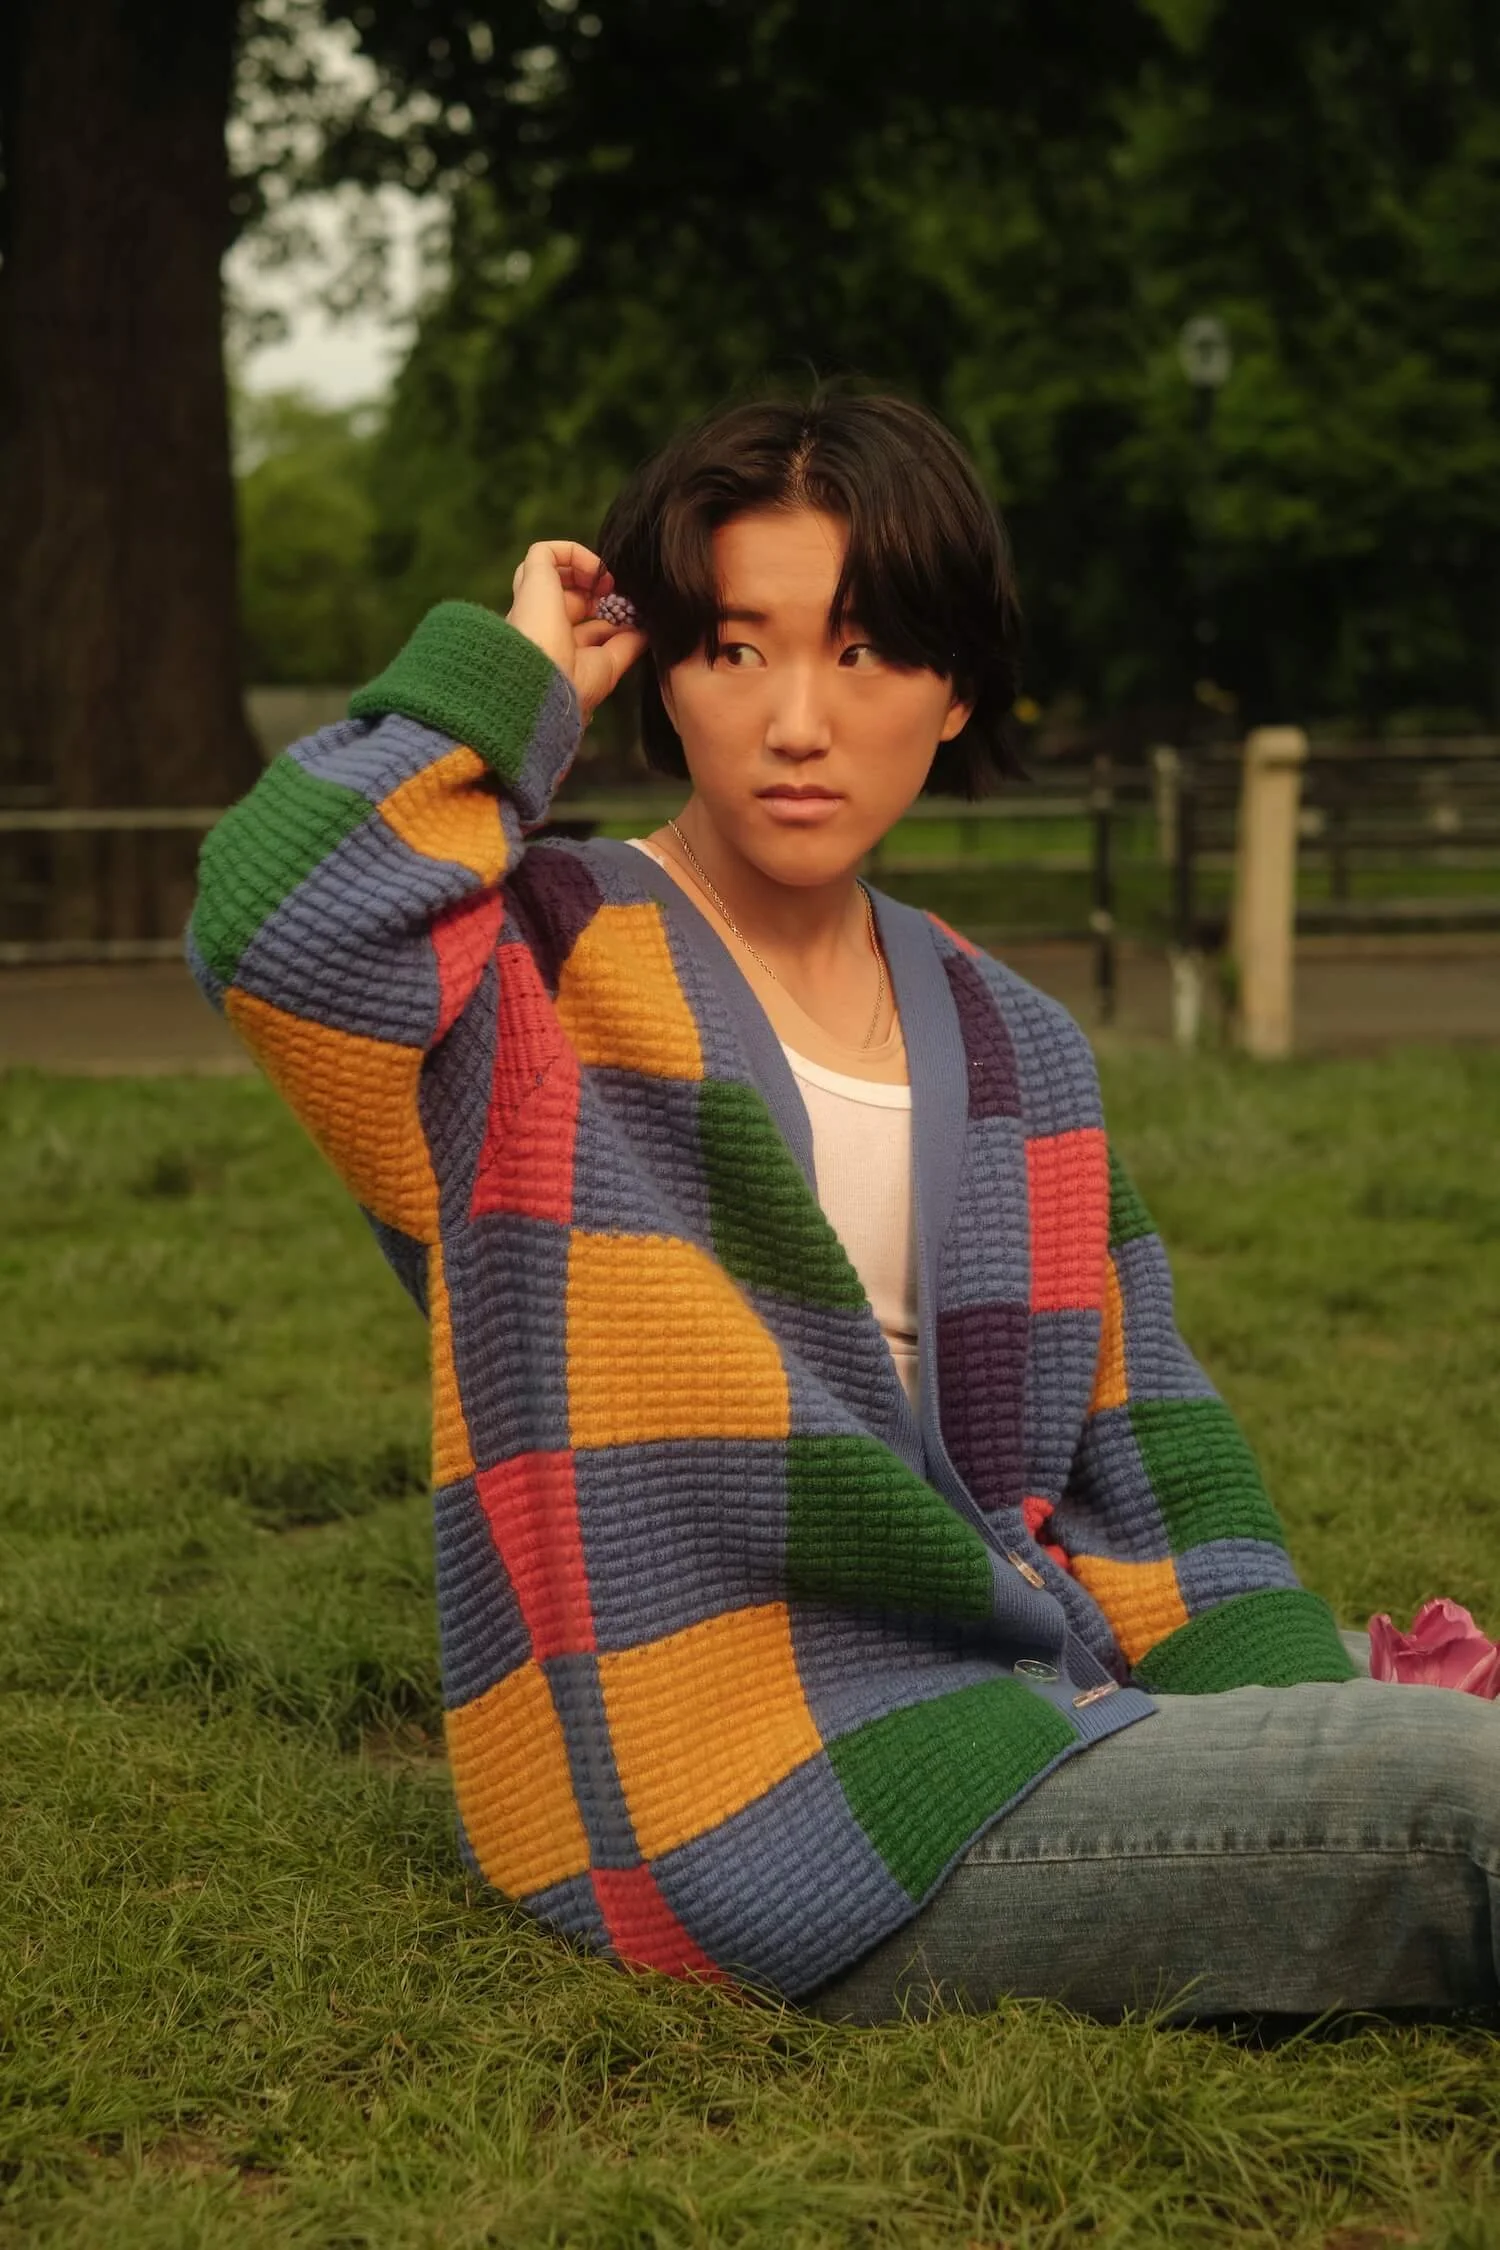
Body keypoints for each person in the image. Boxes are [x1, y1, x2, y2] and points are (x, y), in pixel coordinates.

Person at [188, 392, 1498, 2024]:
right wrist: (510, 681)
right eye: (736, 648)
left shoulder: (1019, 1038)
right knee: (1459, 1799)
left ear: (956, 692)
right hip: (741, 1799)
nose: (797, 721)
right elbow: (275, 918)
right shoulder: (531, 967)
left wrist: (1300, 1703)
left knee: (1432, 1745)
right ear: (659, 670)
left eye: (866, 651)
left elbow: (1143, 1458)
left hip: (1020, 1706)